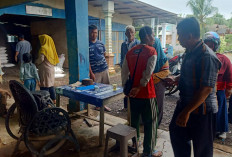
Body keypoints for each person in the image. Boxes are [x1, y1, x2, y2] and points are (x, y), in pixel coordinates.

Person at [168, 17, 221, 157]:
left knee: (202, 149)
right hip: (186, 104)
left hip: (203, 111)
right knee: (177, 134)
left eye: (180, 34)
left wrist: (186, 112)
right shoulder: (189, 52)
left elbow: (206, 88)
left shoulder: (207, 56)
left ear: (189, 35)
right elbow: (189, 75)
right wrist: (175, 79)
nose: (178, 38)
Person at [121, 26, 162, 157]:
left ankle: (135, 143)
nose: (154, 38)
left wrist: (126, 89)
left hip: (132, 94)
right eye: (153, 35)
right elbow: (148, 73)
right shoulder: (151, 51)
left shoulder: (130, 51)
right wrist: (141, 86)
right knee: (151, 123)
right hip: (147, 94)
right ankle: (148, 151)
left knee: (134, 121)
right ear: (147, 36)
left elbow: (124, 72)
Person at [203, 31, 232, 139]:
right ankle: (209, 129)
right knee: (207, 111)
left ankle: (222, 130)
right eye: (207, 43)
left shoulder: (224, 59)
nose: (209, 46)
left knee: (221, 111)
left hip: (219, 91)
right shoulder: (202, 57)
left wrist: (229, 89)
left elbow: (229, 76)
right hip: (205, 90)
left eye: (211, 44)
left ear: (216, 45)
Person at [89, 24, 111, 112]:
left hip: (104, 69)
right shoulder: (86, 44)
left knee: (106, 87)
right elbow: (87, 62)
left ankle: (104, 105)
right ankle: (98, 105)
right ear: (89, 33)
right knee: (96, 89)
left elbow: (104, 55)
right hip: (95, 71)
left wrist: (106, 66)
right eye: (92, 33)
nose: (94, 34)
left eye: (95, 32)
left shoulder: (101, 43)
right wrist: (91, 73)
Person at [120, 25, 140, 110]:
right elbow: (122, 56)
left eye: (132, 32)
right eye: (128, 32)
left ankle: (133, 106)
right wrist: (122, 66)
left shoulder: (138, 43)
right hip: (125, 68)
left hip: (134, 69)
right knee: (125, 85)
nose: (130, 34)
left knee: (134, 85)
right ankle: (125, 106)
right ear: (125, 34)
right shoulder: (123, 44)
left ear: (135, 33)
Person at [36, 34, 59, 104]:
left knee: (44, 85)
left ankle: (45, 102)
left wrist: (35, 62)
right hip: (51, 69)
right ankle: (54, 100)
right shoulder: (51, 48)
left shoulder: (43, 48)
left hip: (44, 70)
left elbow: (41, 59)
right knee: (51, 85)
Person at [152, 37, 169, 125]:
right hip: (148, 84)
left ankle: (157, 122)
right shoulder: (147, 55)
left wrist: (152, 77)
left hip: (159, 84)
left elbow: (166, 71)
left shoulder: (162, 58)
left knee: (158, 104)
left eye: (154, 45)